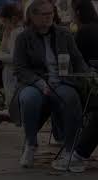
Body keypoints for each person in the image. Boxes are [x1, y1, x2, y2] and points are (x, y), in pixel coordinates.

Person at [10, 0, 91, 168]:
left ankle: (70, 150)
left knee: (71, 97)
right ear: (33, 16)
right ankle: (31, 145)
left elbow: (77, 59)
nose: (49, 17)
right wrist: (39, 83)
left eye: (51, 13)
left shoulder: (64, 34)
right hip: (34, 83)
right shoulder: (23, 38)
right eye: (44, 14)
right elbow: (20, 68)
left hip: (62, 81)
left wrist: (88, 74)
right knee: (29, 98)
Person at [51, 0, 98, 172]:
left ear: (78, 12)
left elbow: (74, 60)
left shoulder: (84, 31)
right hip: (89, 82)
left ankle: (69, 145)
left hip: (88, 85)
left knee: (58, 94)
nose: (70, 15)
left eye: (71, 11)